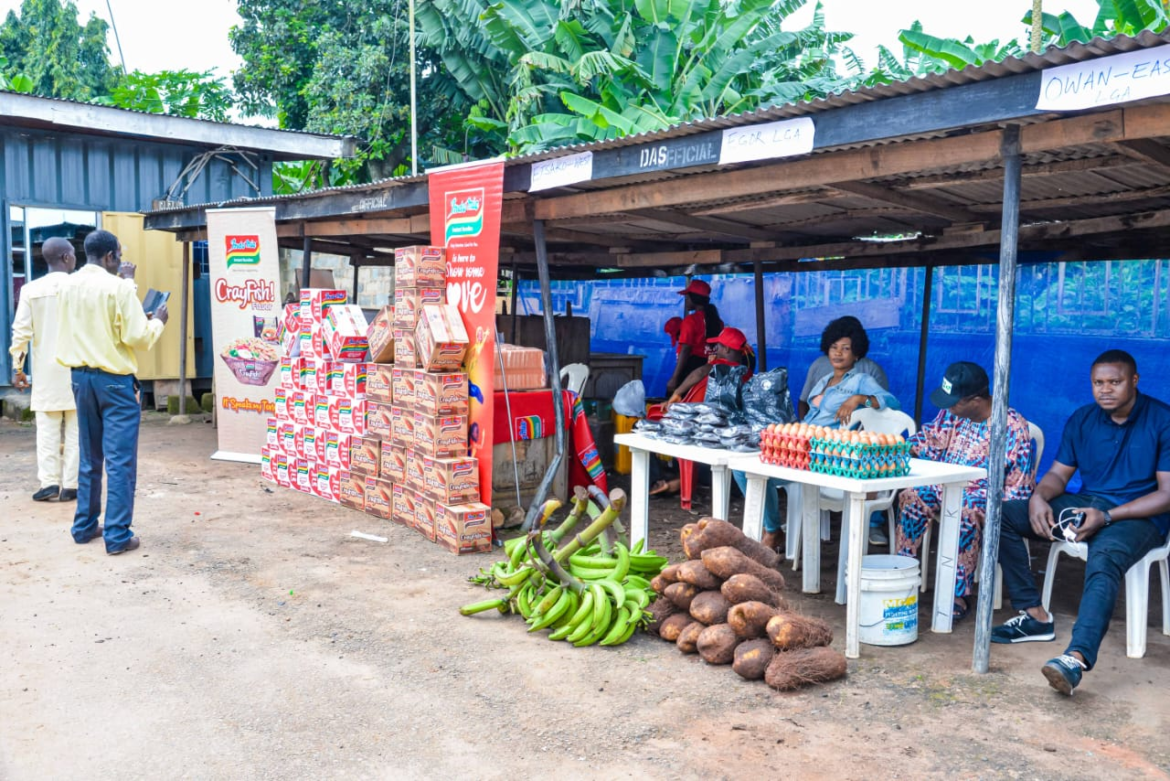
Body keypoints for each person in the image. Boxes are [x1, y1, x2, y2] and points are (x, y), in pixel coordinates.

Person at [991, 350, 1170, 696]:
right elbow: (1058, 474)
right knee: (1003, 515)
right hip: (1088, 505)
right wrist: (1038, 498)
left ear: (1134, 381)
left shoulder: (1162, 420)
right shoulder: (1083, 419)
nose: (1105, 390)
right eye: (1098, 383)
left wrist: (1106, 516)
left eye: (1115, 382)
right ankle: (1035, 616)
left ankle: (1075, 658)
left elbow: (1167, 494)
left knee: (1104, 559)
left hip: (1139, 516)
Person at [56, 230, 169, 555]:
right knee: (119, 461)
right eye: (118, 255)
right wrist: (158, 321)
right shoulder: (119, 288)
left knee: (90, 458)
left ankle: (84, 526)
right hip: (115, 384)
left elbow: (96, 326)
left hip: (80, 379)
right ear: (110, 257)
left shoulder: (68, 285)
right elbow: (139, 338)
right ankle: (118, 535)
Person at [895, 362, 1035, 621]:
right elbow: (930, 441)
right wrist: (898, 449)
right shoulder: (951, 413)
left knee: (965, 512)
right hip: (944, 484)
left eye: (954, 402)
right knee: (911, 496)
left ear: (976, 400)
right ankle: (902, 573)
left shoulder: (1012, 427)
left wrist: (998, 511)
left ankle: (958, 592)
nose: (948, 407)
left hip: (983, 496)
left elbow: (1018, 486)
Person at [8, 237, 79, 502]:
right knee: (76, 431)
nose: (75, 258)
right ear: (65, 258)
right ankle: (72, 485)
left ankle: (49, 482)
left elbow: (21, 332)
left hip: (47, 371)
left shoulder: (30, 290)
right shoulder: (80, 286)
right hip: (78, 369)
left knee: (47, 430)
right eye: (72, 254)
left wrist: (18, 368)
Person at [803, 317, 899, 428]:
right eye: (834, 347)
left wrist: (859, 399)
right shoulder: (824, 381)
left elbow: (893, 403)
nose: (838, 353)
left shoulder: (861, 380)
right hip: (804, 438)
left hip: (833, 443)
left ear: (856, 354)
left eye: (846, 348)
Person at [665, 279, 723, 397]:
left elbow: (685, 350)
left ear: (694, 299)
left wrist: (675, 378)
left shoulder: (690, 320)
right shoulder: (718, 322)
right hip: (710, 370)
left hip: (691, 370)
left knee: (675, 405)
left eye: (687, 297)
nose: (686, 300)